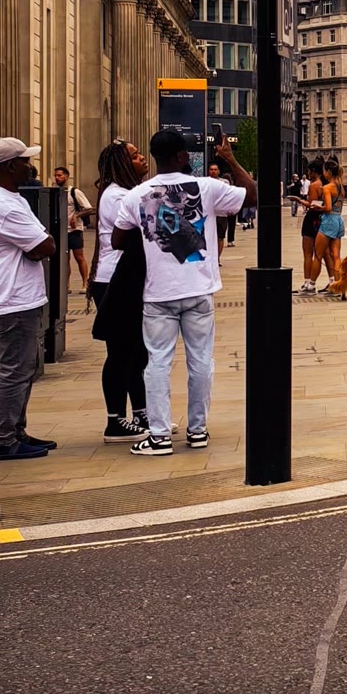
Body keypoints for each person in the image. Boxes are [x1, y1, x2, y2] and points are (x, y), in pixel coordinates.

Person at [115, 126, 255, 455]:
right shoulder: (206, 187)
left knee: (158, 363)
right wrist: (230, 159)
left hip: (158, 293)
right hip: (198, 290)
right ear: (181, 156)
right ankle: (197, 430)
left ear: (154, 156)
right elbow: (252, 195)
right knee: (201, 361)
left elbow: (117, 239)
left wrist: (152, 235)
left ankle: (160, 436)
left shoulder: (135, 195)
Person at [0, 138, 55, 461]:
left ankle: (16, 430)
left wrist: (38, 245)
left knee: (25, 368)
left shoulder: (13, 198)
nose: (30, 166)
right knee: (14, 370)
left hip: (23, 297)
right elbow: (46, 246)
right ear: (10, 166)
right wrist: (38, 246)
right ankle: (4, 437)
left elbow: (41, 241)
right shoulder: (4, 205)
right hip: (12, 300)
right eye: (25, 161)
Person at [90, 139, 150, 441]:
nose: (142, 159)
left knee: (137, 352)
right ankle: (115, 421)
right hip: (114, 280)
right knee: (120, 352)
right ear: (122, 164)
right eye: (135, 156)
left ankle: (141, 413)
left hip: (127, 278)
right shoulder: (117, 197)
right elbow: (140, 232)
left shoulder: (125, 193)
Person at [54, 165, 93, 290]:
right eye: (55, 176)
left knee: (79, 257)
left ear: (66, 176)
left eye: (59, 175)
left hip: (75, 230)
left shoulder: (74, 192)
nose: (57, 178)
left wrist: (76, 216)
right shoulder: (56, 192)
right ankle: (66, 285)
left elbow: (89, 208)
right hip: (62, 230)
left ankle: (85, 283)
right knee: (65, 259)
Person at [300, 160, 327, 293]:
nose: (308, 173)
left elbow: (312, 204)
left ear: (314, 171)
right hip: (322, 219)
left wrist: (299, 200)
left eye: (309, 171)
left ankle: (307, 282)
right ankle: (331, 280)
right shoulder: (325, 185)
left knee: (308, 253)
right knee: (322, 253)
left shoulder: (313, 185)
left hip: (311, 219)